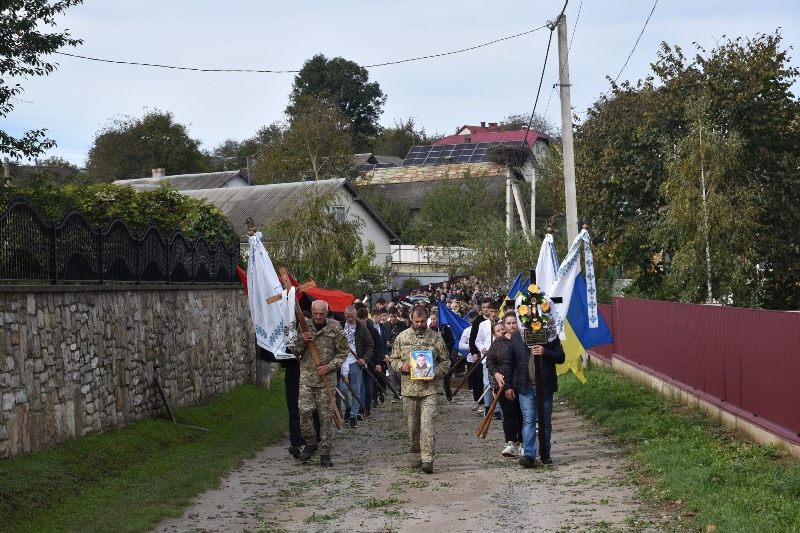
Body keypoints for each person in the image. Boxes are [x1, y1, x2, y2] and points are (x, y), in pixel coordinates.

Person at [391, 306, 450, 474]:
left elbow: (446, 362)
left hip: (430, 389)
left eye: (423, 321)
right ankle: (416, 455)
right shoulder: (402, 338)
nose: (419, 324)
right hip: (409, 389)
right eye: (416, 321)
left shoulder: (436, 338)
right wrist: (402, 366)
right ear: (411, 319)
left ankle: (428, 459)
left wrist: (434, 372)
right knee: (413, 426)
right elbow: (393, 359)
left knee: (427, 424)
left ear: (427, 320)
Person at [503, 319, 565, 468]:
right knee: (529, 420)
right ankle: (529, 454)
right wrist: (508, 386)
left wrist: (545, 352)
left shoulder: (550, 335)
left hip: (545, 386)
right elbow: (509, 363)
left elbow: (561, 357)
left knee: (545, 421)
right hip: (525, 387)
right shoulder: (517, 337)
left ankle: (545, 453)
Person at [294, 300, 349, 467]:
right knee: (304, 412)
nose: (318, 317)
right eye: (316, 313)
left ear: (326, 313)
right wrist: (302, 341)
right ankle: (310, 442)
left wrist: (330, 367)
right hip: (307, 379)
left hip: (326, 380)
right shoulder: (304, 326)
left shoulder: (335, 328)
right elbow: (296, 351)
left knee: (325, 417)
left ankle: (325, 453)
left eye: (322, 314)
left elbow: (343, 351)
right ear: (312, 312)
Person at [486, 312, 523, 458]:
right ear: (504, 325)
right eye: (508, 323)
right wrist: (496, 374)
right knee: (508, 414)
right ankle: (510, 443)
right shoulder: (498, 343)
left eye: (514, 323)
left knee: (522, 414)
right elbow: (490, 361)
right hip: (503, 383)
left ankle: (522, 443)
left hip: (521, 382)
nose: (512, 326)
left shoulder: (523, 340)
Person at [339, 305, 374, 428]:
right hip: (341, 361)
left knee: (356, 390)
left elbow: (370, 345)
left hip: (355, 361)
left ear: (356, 316)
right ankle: (348, 407)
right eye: (348, 317)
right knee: (341, 389)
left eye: (352, 317)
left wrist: (364, 359)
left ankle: (353, 415)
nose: (350, 319)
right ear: (344, 315)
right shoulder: (339, 327)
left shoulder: (362, 328)